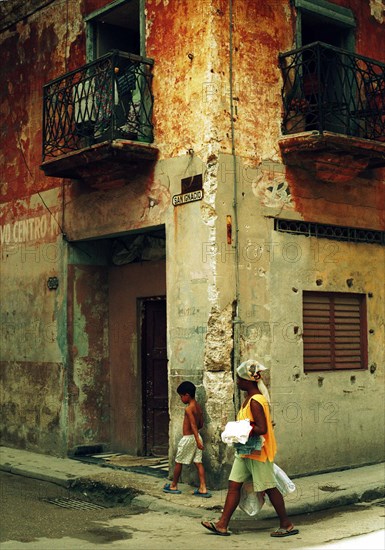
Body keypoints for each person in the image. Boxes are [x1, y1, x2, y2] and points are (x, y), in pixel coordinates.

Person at [201, 359, 299, 537]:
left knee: (269, 487)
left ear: (247, 380)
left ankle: (287, 524)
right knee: (233, 486)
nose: (237, 382)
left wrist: (240, 429)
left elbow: (262, 428)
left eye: (239, 379)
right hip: (245, 452)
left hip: (258, 453)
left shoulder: (255, 401)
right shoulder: (249, 399)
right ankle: (222, 524)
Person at [163, 381, 212, 498]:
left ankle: (173, 485)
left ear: (187, 395)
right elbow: (200, 424)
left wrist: (196, 439)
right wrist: (198, 439)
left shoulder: (189, 409)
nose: (181, 399)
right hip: (196, 437)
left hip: (189, 438)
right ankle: (203, 487)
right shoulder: (198, 407)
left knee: (178, 461)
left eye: (181, 396)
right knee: (198, 462)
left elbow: (194, 425)